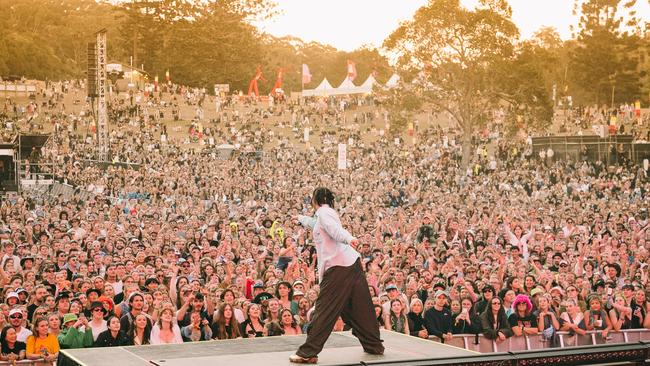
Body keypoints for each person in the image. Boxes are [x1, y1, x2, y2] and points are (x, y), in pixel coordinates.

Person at [290, 187, 383, 364]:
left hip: (338, 267)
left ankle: (309, 352)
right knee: (359, 307)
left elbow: (335, 230)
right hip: (351, 264)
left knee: (325, 308)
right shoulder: (324, 214)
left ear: (315, 200)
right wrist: (301, 219)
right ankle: (374, 345)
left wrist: (350, 239)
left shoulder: (324, 213)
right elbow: (316, 225)